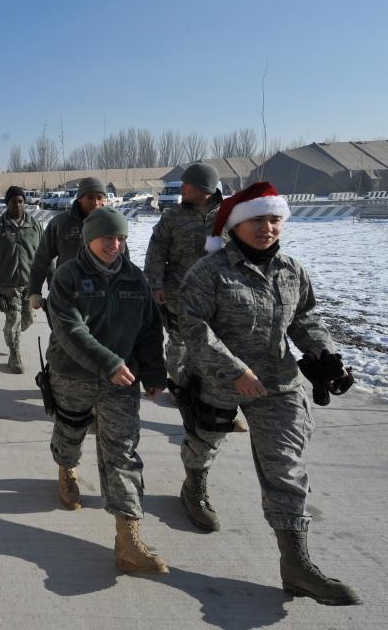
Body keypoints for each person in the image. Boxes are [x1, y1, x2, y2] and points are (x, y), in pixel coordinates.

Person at [178, 182, 359, 605]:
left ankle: (296, 565)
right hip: (218, 378)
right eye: (258, 219)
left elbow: (305, 317)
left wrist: (324, 353)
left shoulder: (292, 270)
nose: (267, 227)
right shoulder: (208, 272)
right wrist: (234, 370)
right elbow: (194, 328)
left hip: (277, 383)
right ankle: (194, 484)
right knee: (205, 442)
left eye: (275, 219)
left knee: (286, 467)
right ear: (238, 224)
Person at [45, 206, 168, 574]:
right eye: (107, 238)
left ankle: (128, 539)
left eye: (121, 238)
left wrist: (155, 373)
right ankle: (66, 468)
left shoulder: (134, 278)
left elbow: (149, 328)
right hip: (73, 374)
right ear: (88, 238)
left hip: (122, 380)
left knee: (123, 451)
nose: (114, 245)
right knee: (71, 429)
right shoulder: (67, 277)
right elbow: (70, 329)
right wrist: (108, 363)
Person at [144, 162, 223, 383]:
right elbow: (156, 251)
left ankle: (208, 386)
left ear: (204, 188)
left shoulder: (228, 217)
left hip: (217, 295)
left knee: (214, 341)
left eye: (187, 184)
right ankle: (177, 381)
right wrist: (155, 284)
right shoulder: (173, 216)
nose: (182, 188)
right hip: (179, 293)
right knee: (179, 340)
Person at [0, 186, 42, 373]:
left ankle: (9, 332)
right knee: (14, 317)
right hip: (7, 283)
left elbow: (44, 254)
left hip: (30, 283)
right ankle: (15, 355)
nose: (18, 205)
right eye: (14, 201)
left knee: (28, 319)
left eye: (21, 201)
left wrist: (53, 275)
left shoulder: (34, 226)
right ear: (7, 203)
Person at [27, 176, 107, 310]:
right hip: (66, 293)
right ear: (80, 198)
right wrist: (34, 291)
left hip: (102, 296)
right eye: (90, 198)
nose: (95, 203)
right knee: (64, 331)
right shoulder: (61, 224)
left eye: (99, 198)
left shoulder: (109, 224)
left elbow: (123, 259)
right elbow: (42, 258)